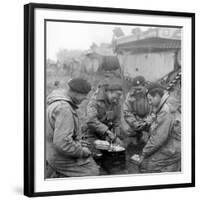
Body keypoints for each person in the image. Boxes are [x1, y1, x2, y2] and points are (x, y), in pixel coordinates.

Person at [46, 77, 99, 178]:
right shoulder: (64, 108)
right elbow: (63, 143)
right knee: (92, 171)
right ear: (76, 93)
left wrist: (76, 142)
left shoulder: (57, 103)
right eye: (84, 95)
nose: (85, 99)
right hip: (59, 157)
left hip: (50, 151)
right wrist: (82, 151)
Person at [84, 77, 124, 174]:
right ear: (108, 92)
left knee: (112, 151)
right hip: (91, 132)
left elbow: (117, 120)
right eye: (116, 95)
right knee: (95, 155)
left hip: (106, 133)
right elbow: (91, 120)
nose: (117, 99)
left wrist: (116, 136)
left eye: (119, 96)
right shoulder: (95, 100)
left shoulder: (117, 102)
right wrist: (108, 132)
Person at [138, 83, 181, 173]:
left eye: (150, 100)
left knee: (145, 165)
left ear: (157, 96)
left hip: (172, 148)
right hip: (176, 145)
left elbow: (158, 139)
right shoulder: (168, 103)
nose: (149, 103)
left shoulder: (165, 110)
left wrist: (144, 153)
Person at [123, 76, 154, 145]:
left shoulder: (151, 94)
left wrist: (146, 122)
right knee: (127, 131)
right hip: (136, 122)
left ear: (145, 86)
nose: (137, 91)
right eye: (135, 89)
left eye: (139, 89)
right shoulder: (130, 96)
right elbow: (127, 112)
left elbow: (155, 112)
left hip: (149, 121)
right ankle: (137, 137)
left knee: (155, 131)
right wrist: (135, 124)